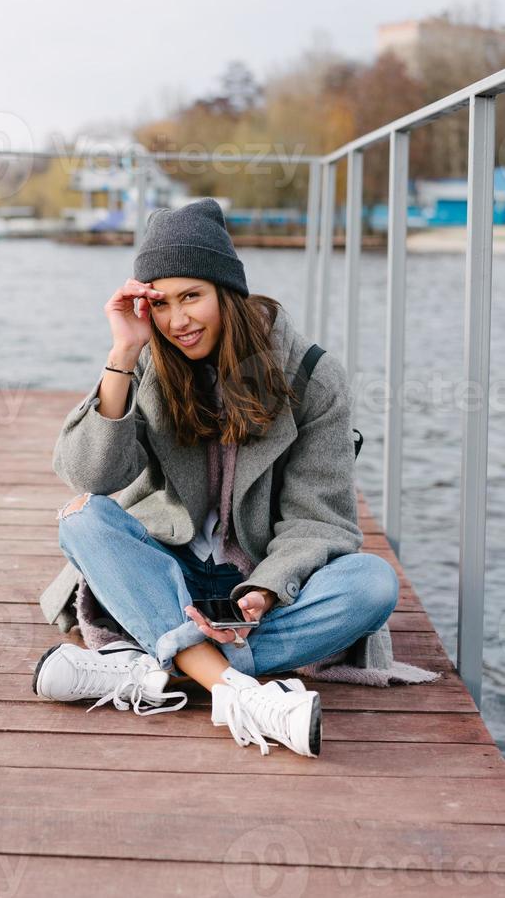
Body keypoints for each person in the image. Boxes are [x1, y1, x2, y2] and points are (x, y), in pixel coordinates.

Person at [32, 197, 400, 758]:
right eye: (162, 303)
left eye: (192, 297)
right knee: (83, 519)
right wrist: (123, 352)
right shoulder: (150, 360)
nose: (177, 320)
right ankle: (238, 692)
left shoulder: (310, 376)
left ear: (226, 293)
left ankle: (149, 667)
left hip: (258, 581)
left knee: (372, 583)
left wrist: (263, 590)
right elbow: (91, 475)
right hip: (164, 570)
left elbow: (319, 520)